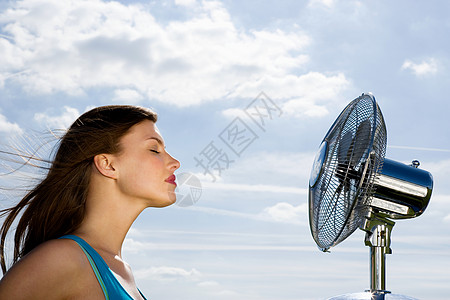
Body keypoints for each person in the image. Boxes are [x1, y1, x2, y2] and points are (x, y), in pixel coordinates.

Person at [0, 105, 180, 299]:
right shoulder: (61, 260)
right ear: (107, 164)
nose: (175, 162)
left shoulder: (121, 270)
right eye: (154, 149)